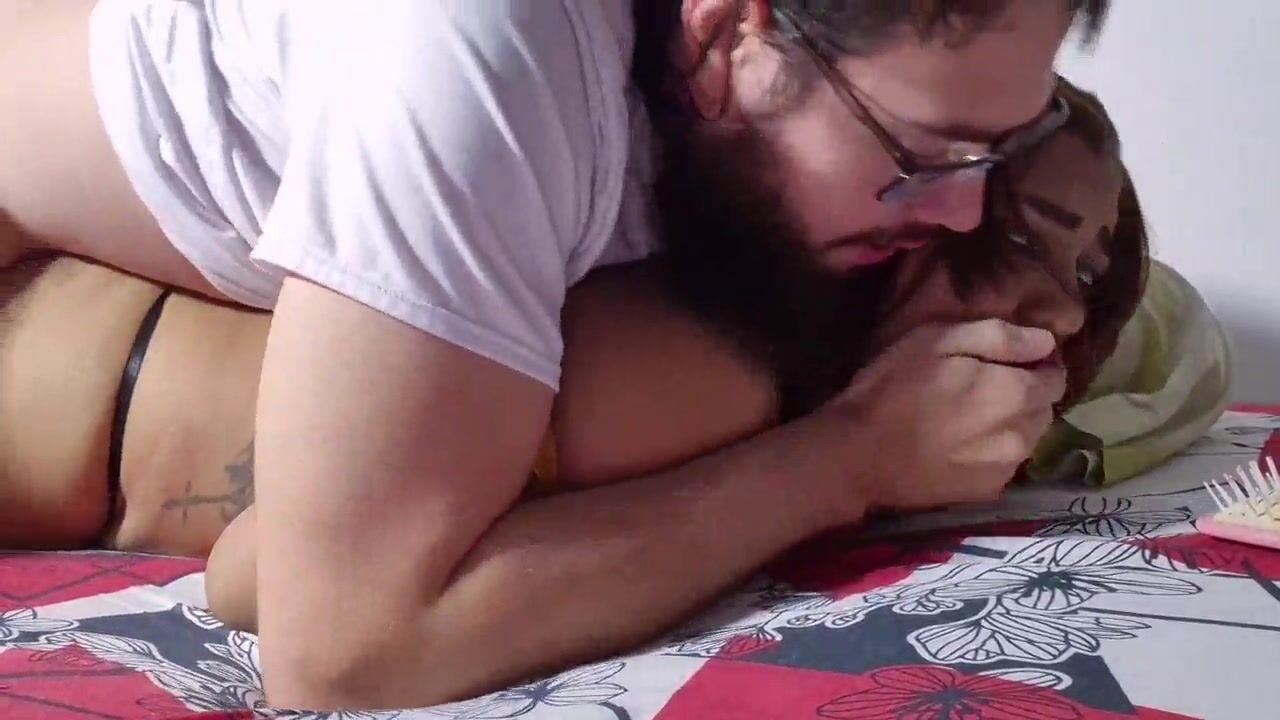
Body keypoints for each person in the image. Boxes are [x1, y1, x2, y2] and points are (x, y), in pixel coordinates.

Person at [0, 0, 1112, 709]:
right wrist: (850, 459)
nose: (963, 212)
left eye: (996, 151)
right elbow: (339, 650)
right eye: (920, 155)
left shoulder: (756, 142)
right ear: (728, 36)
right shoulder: (479, 60)